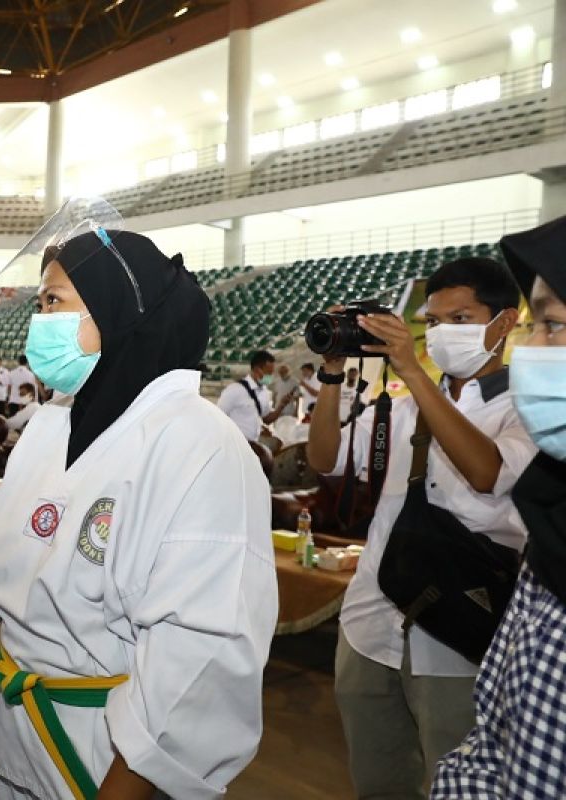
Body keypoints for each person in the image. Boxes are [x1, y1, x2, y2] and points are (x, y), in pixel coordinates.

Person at [0, 213, 277, 799]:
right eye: (39, 303)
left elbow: (202, 651)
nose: (38, 322)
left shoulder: (200, 445)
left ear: (117, 308)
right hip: (22, 732)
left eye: (53, 302)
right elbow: (34, 561)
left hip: (111, 757)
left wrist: (127, 784)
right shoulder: (54, 424)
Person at [305, 257, 537, 799]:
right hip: (370, 621)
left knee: (457, 781)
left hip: (459, 634)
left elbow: (487, 473)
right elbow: (324, 458)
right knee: (378, 779)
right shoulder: (402, 409)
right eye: (432, 322)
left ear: (503, 323)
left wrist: (412, 368)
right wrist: (334, 374)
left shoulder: (527, 408)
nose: (440, 335)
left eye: (459, 319)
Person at [431, 218, 566, 797]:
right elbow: (494, 740)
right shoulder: (552, 538)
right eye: (538, 325)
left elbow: (487, 475)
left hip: (451, 623)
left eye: (552, 325)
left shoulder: (517, 409)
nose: (534, 351)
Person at [216, 349, 287, 442]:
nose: (270, 376)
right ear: (257, 369)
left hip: (254, 445)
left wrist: (281, 406)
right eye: (268, 373)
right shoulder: (235, 390)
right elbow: (218, 417)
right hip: (236, 443)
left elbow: (266, 419)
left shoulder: (264, 391)